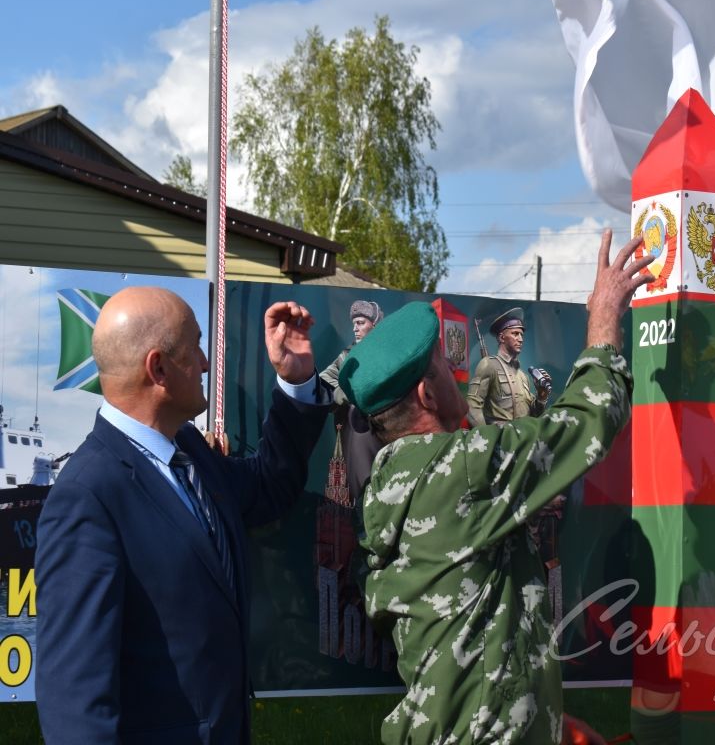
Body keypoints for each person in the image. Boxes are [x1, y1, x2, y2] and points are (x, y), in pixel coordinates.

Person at [338, 231, 654, 743]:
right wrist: (603, 314)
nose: (457, 377)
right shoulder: (461, 469)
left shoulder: (389, 481)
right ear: (426, 391)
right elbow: (592, 416)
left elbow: (485, 634)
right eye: (445, 366)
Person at [35, 287, 330, 745]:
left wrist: (294, 382)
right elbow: (75, 700)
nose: (207, 363)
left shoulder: (190, 451)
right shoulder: (87, 497)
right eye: (195, 346)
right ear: (159, 369)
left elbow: (269, 487)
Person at [319, 299, 385, 503]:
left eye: (361, 323)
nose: (355, 329)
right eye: (354, 323)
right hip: (356, 434)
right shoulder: (347, 356)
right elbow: (324, 378)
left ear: (374, 324)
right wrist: (340, 392)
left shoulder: (388, 354)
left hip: (385, 431)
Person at [466, 306, 553, 426]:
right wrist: (487, 438)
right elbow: (473, 407)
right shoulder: (488, 365)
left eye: (521, 335)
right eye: (515, 334)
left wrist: (542, 397)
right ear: (502, 337)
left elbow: (533, 415)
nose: (520, 339)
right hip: (500, 439)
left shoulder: (523, 376)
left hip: (522, 438)